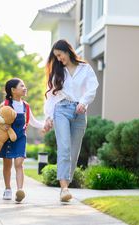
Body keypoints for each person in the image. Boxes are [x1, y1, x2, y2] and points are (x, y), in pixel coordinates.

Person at [43, 39, 99, 202]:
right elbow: (51, 95)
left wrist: (83, 102)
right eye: (56, 57)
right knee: (65, 148)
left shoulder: (85, 68)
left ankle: (66, 187)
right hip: (61, 110)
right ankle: (64, 188)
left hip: (80, 113)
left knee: (74, 153)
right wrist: (48, 117)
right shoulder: (58, 72)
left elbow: (92, 87)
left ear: (67, 51)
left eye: (60, 55)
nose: (59, 59)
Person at [0, 78, 44, 203]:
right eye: (21, 86)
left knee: (19, 164)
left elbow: (33, 121)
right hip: (7, 138)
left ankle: (20, 190)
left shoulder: (26, 106)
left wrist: (46, 125)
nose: (24, 88)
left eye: (24, 85)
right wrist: (2, 126)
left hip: (20, 138)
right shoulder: (5, 104)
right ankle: (7, 189)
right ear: (13, 90)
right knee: (7, 165)